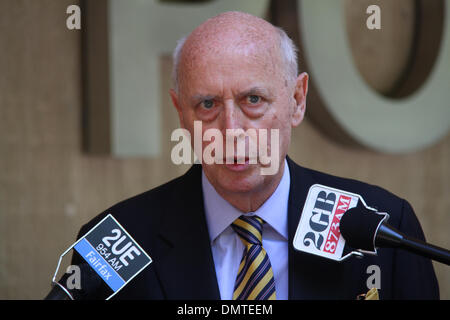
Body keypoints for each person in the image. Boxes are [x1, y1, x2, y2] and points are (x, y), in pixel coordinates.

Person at [72, 11, 439, 300]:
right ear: (181, 113)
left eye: (253, 100)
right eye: (207, 104)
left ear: (297, 100)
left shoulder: (385, 227)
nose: (231, 130)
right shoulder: (114, 242)